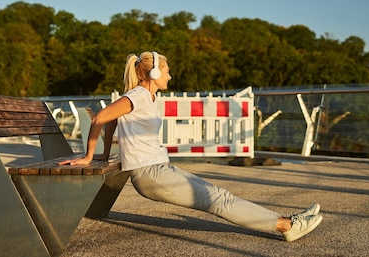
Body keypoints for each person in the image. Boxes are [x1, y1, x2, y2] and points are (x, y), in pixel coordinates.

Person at [59, 51, 323, 242]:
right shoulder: (137, 95)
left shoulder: (146, 97)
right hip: (150, 175)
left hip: (159, 168)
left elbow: (111, 121)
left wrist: (105, 153)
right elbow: (102, 117)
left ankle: (286, 220)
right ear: (154, 73)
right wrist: (90, 156)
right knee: (218, 201)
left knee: (219, 195)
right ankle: (287, 226)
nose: (170, 77)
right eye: (167, 71)